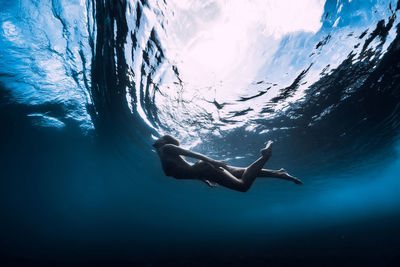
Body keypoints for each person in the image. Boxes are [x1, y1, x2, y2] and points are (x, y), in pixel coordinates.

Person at [153, 135, 302, 192]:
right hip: (204, 170)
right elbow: (187, 171)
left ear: (165, 141)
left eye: (160, 138)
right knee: (245, 172)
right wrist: (206, 182)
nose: (157, 139)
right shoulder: (164, 155)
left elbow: (194, 155)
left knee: (243, 186)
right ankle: (279, 173)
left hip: (206, 168)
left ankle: (265, 156)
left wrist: (213, 162)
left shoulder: (166, 149)